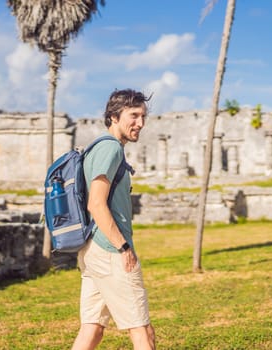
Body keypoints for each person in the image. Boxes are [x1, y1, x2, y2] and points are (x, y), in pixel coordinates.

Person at [72, 89, 155, 350]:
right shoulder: (110, 149)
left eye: (143, 116)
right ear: (114, 117)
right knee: (143, 331)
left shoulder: (98, 147)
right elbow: (96, 203)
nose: (140, 123)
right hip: (110, 251)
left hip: (93, 250)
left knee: (92, 329)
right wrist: (123, 247)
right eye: (134, 115)